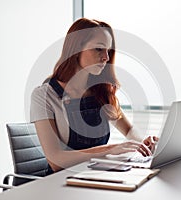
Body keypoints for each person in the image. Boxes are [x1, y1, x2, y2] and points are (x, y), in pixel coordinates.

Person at [30, 18, 158, 175]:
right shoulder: (44, 96)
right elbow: (56, 161)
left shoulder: (101, 92)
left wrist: (141, 143)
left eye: (108, 51)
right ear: (76, 49)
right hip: (61, 183)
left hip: (96, 176)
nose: (106, 58)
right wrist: (110, 149)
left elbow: (129, 129)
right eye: (99, 49)